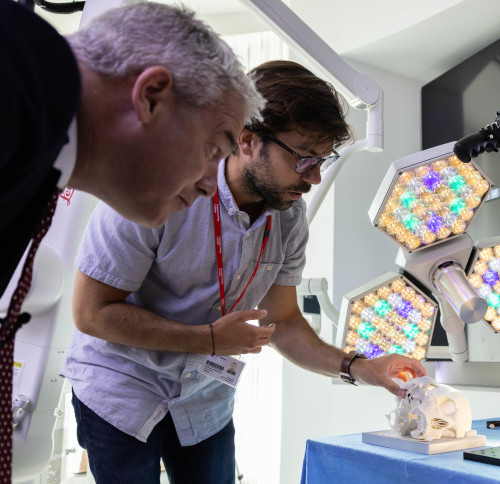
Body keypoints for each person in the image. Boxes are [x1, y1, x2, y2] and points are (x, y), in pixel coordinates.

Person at [62, 60, 427, 484]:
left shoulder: (289, 218)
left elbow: (284, 321)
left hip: (203, 399)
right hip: (122, 391)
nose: (312, 179)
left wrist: (362, 367)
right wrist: (211, 339)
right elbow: (92, 313)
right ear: (247, 139)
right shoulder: (156, 186)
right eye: (304, 159)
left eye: (321, 161)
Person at [0, 0, 264, 297]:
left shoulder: (37, 147)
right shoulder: (11, 85)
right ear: (151, 96)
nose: (209, 188)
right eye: (213, 150)